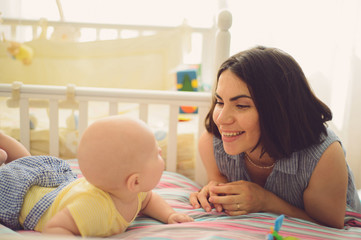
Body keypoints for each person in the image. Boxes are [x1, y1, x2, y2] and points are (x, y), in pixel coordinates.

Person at [189, 46, 361, 229]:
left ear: (278, 110)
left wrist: (265, 201)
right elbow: (221, 190)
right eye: (220, 102)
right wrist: (213, 193)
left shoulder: (323, 155)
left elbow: (331, 226)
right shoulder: (212, 143)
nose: (221, 119)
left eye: (241, 105)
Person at [0, 116, 193, 237]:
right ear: (134, 181)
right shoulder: (93, 209)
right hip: (23, 199)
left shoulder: (136, 193)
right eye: (156, 153)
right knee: (17, 173)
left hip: (58, 187)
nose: (161, 152)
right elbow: (55, 227)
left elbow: (149, 200)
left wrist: (169, 215)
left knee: (27, 164)